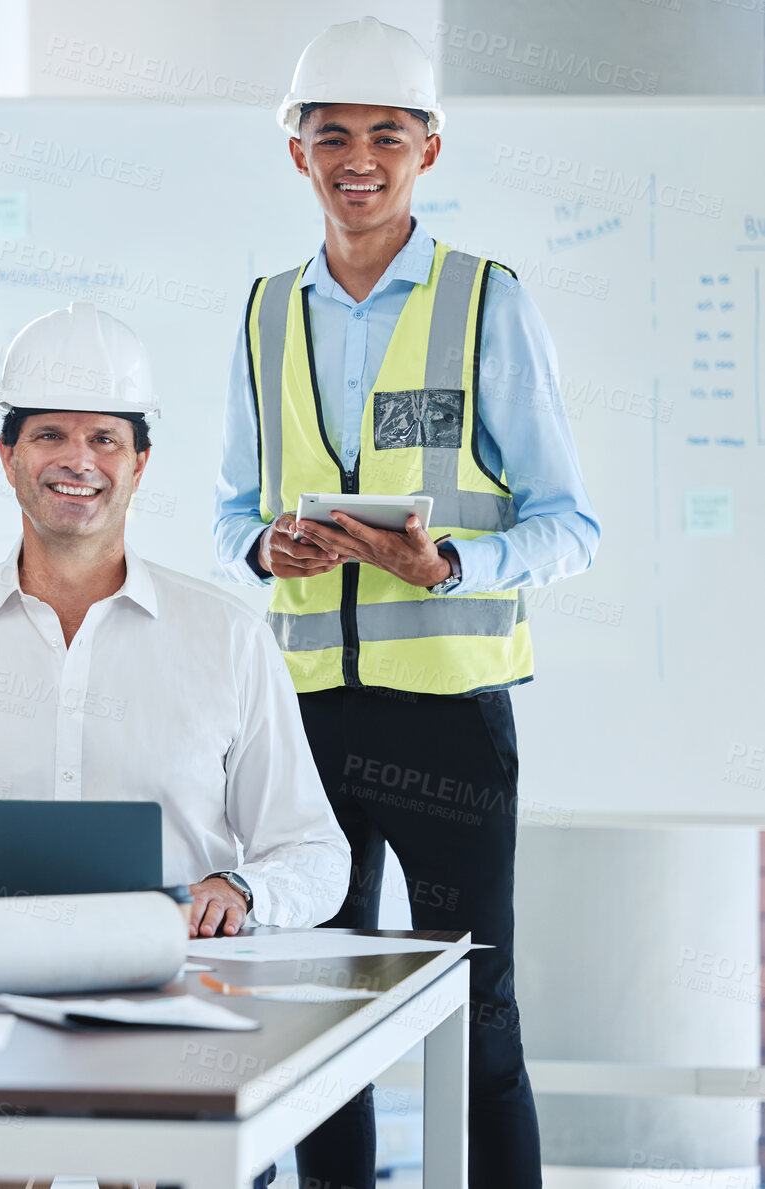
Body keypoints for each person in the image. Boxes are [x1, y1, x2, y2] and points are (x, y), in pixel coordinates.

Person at [212, 18, 601, 1188]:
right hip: (304, 720)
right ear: (297, 153)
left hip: (446, 714)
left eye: (387, 134)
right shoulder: (263, 309)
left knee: (473, 1008)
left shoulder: (487, 302)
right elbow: (233, 510)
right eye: (331, 135)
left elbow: (568, 525)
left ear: (428, 148)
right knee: (318, 1008)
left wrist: (450, 570)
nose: (358, 158)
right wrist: (266, 547)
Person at [0, 303, 350, 941]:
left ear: (140, 464)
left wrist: (240, 890)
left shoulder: (230, 640)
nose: (78, 461)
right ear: (8, 456)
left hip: (173, 989)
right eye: (50, 435)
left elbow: (313, 855)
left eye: (104, 439)